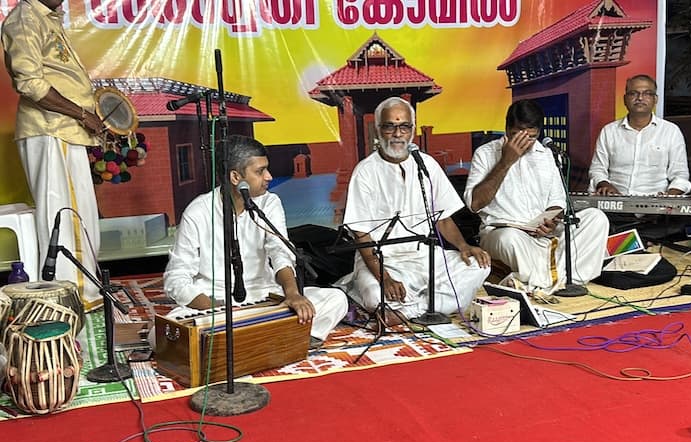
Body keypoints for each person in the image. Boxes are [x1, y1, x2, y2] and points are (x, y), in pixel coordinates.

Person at [163, 135, 348, 346]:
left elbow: (280, 252)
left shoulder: (270, 203)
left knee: (336, 300)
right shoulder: (198, 211)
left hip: (265, 297)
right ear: (235, 177)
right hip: (215, 302)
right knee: (164, 330)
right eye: (260, 171)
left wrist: (293, 293)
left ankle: (264, 340)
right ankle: (275, 338)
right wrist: (215, 309)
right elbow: (176, 278)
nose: (269, 176)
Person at [341, 97, 491, 325]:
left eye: (404, 126)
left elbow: (443, 218)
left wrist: (464, 247)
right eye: (390, 126)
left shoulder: (426, 165)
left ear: (412, 130)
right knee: (375, 295)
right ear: (378, 130)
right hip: (383, 261)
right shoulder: (365, 172)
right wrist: (386, 279)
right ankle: (430, 302)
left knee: (479, 266)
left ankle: (409, 309)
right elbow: (361, 235)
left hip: (424, 256)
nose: (397, 133)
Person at [2, 0, 106, 306]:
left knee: (80, 217)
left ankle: (84, 293)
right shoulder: (24, 18)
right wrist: (82, 114)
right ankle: (71, 300)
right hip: (51, 129)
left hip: (65, 129)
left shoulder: (47, 18)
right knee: (65, 218)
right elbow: (30, 83)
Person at [464, 99, 609, 294]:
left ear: (539, 133)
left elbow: (557, 202)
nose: (524, 143)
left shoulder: (546, 155)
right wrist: (506, 162)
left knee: (596, 218)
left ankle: (540, 279)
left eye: (531, 137)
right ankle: (559, 277)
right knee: (508, 238)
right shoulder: (486, 153)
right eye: (517, 136)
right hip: (504, 233)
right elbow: (474, 204)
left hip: (544, 233)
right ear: (507, 128)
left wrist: (550, 221)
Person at [589, 74, 691, 196]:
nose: (640, 98)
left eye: (647, 93)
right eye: (633, 93)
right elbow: (597, 169)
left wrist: (669, 197)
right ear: (625, 99)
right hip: (615, 203)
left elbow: (680, 175)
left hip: (658, 208)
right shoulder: (609, 131)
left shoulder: (671, 131)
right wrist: (605, 185)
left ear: (655, 99)